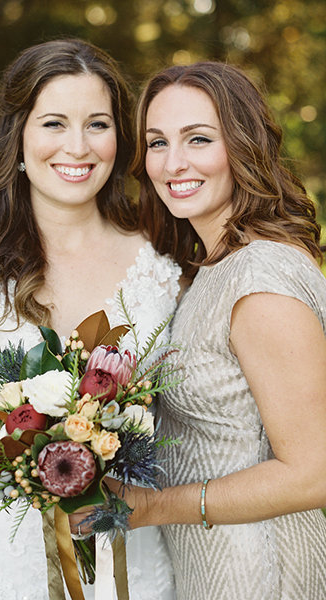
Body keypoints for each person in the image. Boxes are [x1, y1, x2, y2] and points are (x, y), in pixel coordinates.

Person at [0, 39, 181, 599]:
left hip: (131, 554)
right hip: (2, 551)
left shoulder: (163, 268)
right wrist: (26, 463)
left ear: (120, 138)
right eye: (54, 124)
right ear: (18, 136)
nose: (77, 146)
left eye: (97, 124)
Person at [100, 61, 326, 599]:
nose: (172, 163)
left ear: (244, 147)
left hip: (263, 572)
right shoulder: (214, 268)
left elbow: (314, 471)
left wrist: (153, 507)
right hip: (216, 564)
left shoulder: (260, 277)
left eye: (198, 139)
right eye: (157, 142)